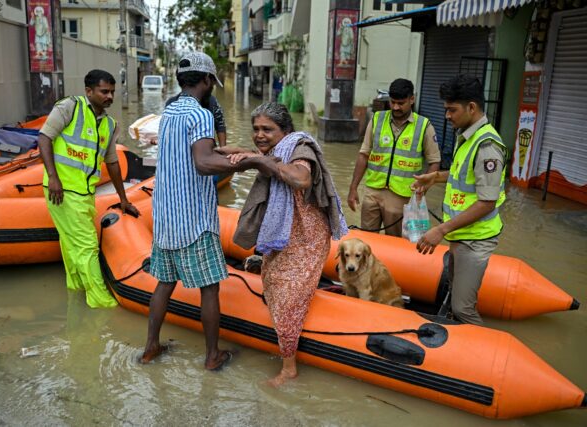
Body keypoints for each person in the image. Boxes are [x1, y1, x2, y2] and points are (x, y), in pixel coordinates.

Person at [140, 52, 280, 369]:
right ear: (206, 81)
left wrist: (228, 152)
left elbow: (196, 153)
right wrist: (256, 161)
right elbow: (203, 163)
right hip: (193, 220)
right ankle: (212, 356)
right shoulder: (201, 115)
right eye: (211, 82)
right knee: (210, 287)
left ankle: (150, 347)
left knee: (164, 283)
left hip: (165, 216)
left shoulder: (171, 112)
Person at [225, 102, 348, 387]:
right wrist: (220, 150)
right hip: (284, 233)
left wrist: (258, 160)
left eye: (267, 129)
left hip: (307, 237)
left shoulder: (299, 149)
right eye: (256, 129)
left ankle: (289, 368)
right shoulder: (273, 152)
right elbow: (239, 154)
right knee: (270, 278)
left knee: (288, 295)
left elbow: (301, 178)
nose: (260, 135)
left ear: (285, 130)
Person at [38, 69, 140, 308]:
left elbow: (112, 162)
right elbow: (44, 138)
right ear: (89, 91)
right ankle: (102, 304)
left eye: (112, 92)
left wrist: (123, 199)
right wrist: (53, 177)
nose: (110, 96)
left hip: (85, 193)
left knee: (71, 243)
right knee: (86, 246)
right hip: (62, 190)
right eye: (104, 91)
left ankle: (76, 292)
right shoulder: (69, 108)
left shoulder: (109, 125)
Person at [411, 74, 508, 325]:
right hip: (461, 234)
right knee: (454, 296)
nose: (447, 116)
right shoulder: (466, 137)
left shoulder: (487, 146)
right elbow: (461, 176)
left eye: (452, 110)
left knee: (463, 308)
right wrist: (435, 177)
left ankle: (485, 355)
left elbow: (486, 201)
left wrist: (440, 230)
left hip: (475, 238)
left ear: (472, 107)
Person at [347, 78, 441, 237]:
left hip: (402, 198)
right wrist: (353, 188)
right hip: (373, 192)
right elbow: (363, 155)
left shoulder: (424, 126)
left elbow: (434, 162)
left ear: (412, 99)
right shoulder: (377, 119)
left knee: (396, 243)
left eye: (401, 103)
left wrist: (422, 189)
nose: (396, 107)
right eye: (393, 102)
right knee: (366, 241)